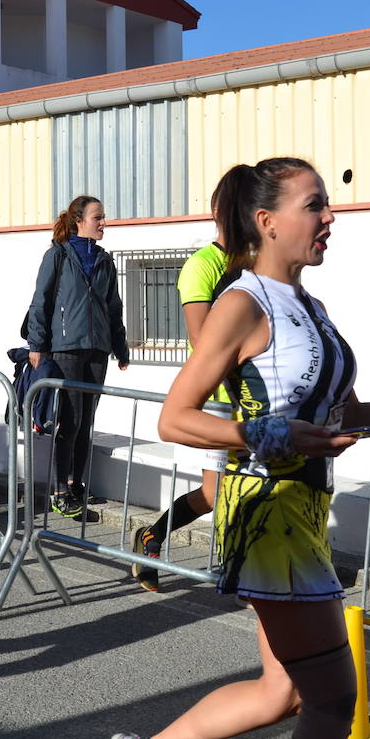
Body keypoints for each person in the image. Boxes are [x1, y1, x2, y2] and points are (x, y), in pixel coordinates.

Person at [109, 157, 370, 739]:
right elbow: (176, 416)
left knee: (284, 693)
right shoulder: (242, 304)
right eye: (316, 205)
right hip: (265, 511)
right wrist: (270, 437)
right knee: (333, 701)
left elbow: (350, 416)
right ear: (266, 222)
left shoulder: (312, 306)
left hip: (304, 508)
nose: (332, 216)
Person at [130, 209, 230, 591]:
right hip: (217, 399)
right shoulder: (202, 265)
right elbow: (202, 340)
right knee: (217, 493)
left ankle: (152, 536)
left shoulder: (255, 266)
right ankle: (240, 573)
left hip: (252, 402)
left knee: (220, 493)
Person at [23, 195, 129, 519]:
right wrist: (37, 345)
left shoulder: (104, 260)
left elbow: (114, 308)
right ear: (79, 220)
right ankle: (59, 491)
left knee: (87, 423)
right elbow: (40, 302)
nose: (103, 223)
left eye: (104, 217)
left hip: (97, 351)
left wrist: (120, 348)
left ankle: (76, 483)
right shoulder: (57, 255)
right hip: (65, 349)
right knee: (69, 421)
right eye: (97, 217)